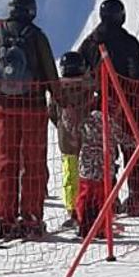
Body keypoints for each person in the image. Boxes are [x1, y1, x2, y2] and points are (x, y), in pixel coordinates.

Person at [0, 0, 58, 240]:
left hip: (4, 109)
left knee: (6, 164)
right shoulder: (36, 37)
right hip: (33, 108)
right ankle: (32, 219)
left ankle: (6, 220)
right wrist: (59, 100)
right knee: (33, 164)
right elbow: (50, 75)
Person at [77, 0, 139, 211]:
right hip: (126, 104)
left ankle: (107, 198)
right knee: (133, 151)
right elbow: (137, 76)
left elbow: (80, 71)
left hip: (98, 104)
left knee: (103, 153)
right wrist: (135, 101)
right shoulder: (128, 42)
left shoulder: (90, 42)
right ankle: (137, 196)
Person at [48, 50, 94, 227]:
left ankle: (71, 208)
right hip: (87, 138)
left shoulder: (58, 88)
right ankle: (88, 206)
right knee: (87, 174)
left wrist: (61, 125)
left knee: (70, 174)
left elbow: (52, 112)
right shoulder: (89, 86)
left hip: (66, 140)